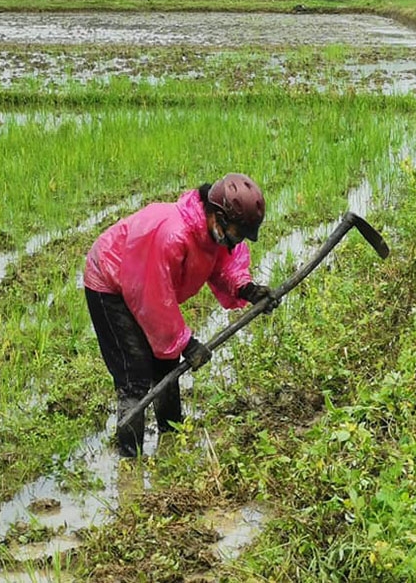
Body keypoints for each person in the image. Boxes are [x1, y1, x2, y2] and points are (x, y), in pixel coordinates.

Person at [84, 173, 278, 457]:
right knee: (134, 375)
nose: (234, 241)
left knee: (167, 364)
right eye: (235, 233)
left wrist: (248, 290)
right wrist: (187, 344)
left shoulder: (212, 234)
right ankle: (129, 460)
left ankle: (171, 438)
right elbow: (153, 299)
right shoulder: (173, 235)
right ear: (218, 216)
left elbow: (227, 263)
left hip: (145, 283)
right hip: (110, 280)